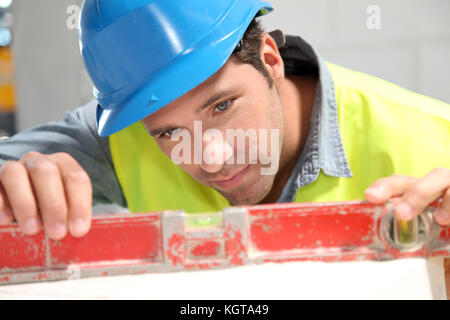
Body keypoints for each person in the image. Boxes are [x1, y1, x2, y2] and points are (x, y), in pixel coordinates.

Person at [0, 0, 449, 245]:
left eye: (221, 107)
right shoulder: (113, 143)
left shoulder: (437, 144)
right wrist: (12, 185)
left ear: (270, 60)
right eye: (169, 132)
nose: (211, 158)